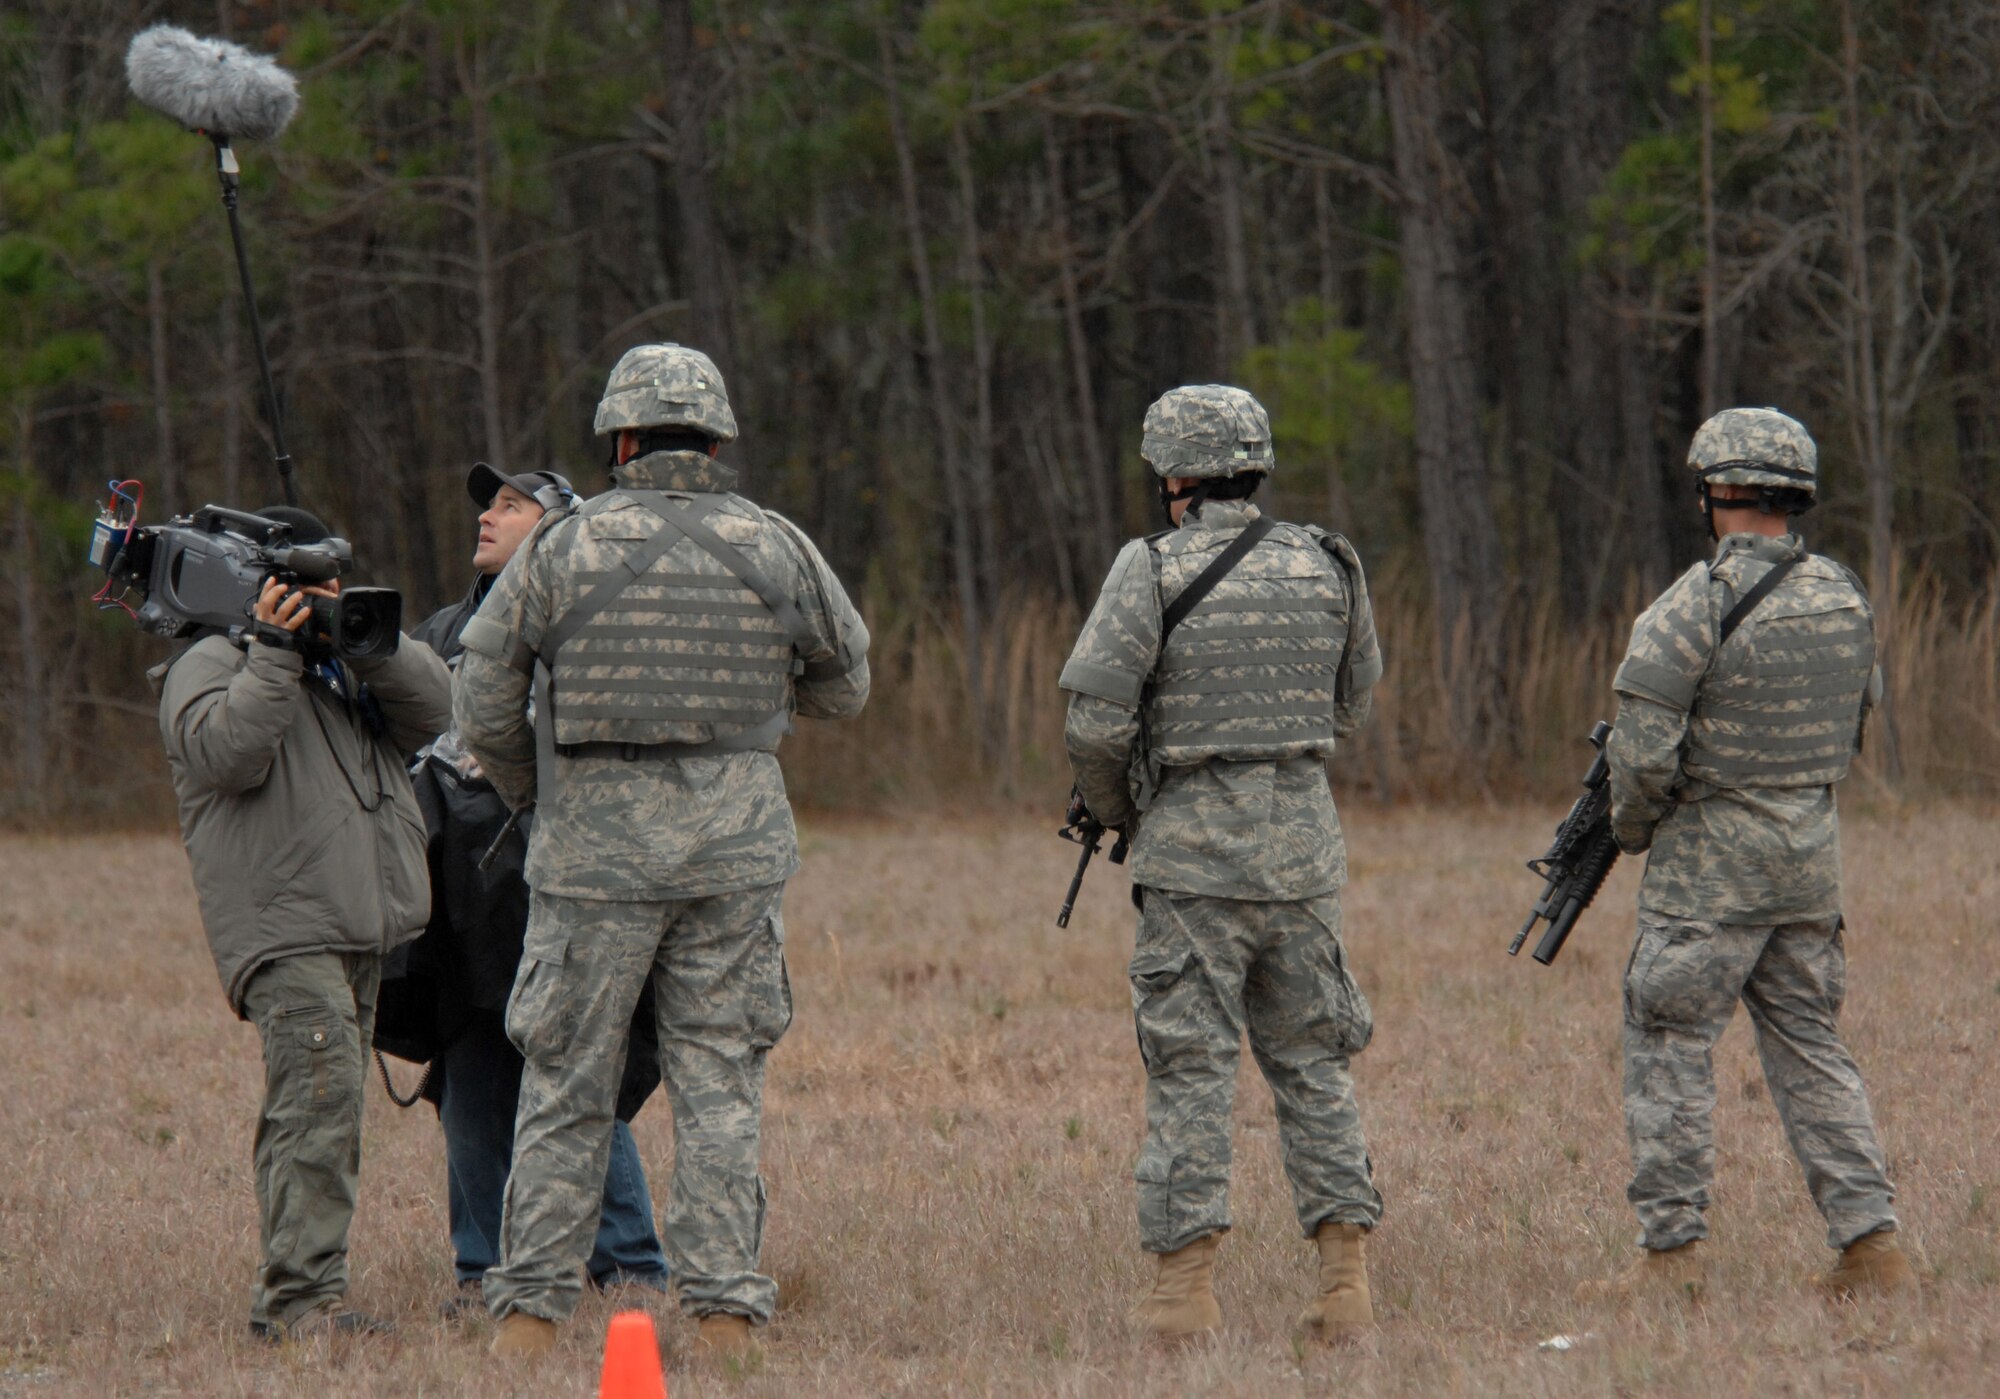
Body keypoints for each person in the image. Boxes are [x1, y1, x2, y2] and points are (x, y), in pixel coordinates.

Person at [452, 343, 871, 1360]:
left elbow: (482, 694)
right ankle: (726, 1317)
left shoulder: (563, 547)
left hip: (591, 853)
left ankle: (528, 1320)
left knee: (564, 1084)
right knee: (718, 1083)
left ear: (620, 440)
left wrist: (533, 792)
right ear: (717, 442)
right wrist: (754, 708)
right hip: (734, 852)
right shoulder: (774, 543)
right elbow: (846, 684)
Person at [1057, 384, 1385, 1344]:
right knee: (1316, 1066)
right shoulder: (1331, 562)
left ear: (1176, 475)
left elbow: (1095, 722)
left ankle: (1180, 1298)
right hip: (1304, 852)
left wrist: (1125, 811)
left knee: (1191, 1069)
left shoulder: (1149, 568)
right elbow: (1353, 703)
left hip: (1194, 857)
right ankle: (1344, 1286)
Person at [1582, 406, 1914, 1305]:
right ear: (1793, 494)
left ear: (1714, 494)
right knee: (1811, 1045)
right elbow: (1856, 718)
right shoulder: (1845, 594)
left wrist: (1637, 828)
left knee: (1668, 1045)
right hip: (1808, 867)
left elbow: (1642, 761)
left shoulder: (1691, 605)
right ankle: (1870, 1242)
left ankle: (1672, 1258)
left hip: (1707, 880)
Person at [149, 505, 450, 1340]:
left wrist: (370, 645)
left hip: (354, 923)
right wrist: (275, 654)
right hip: (288, 928)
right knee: (315, 1107)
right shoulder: (208, 663)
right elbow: (226, 753)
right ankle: (301, 1304)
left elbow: (438, 708)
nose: (328, 600)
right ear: (260, 591)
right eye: (308, 589)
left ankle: (303, 1292)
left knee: (325, 1108)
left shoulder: (344, 667)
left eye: (334, 586)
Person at [393, 462, 670, 1314]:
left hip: (558, 884)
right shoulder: (444, 629)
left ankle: (627, 1267)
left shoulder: (587, 619)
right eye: (486, 501)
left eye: (512, 505)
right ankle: (482, 1272)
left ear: (558, 527)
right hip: (460, 901)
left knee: (573, 1074)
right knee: (470, 1074)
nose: (488, 514)